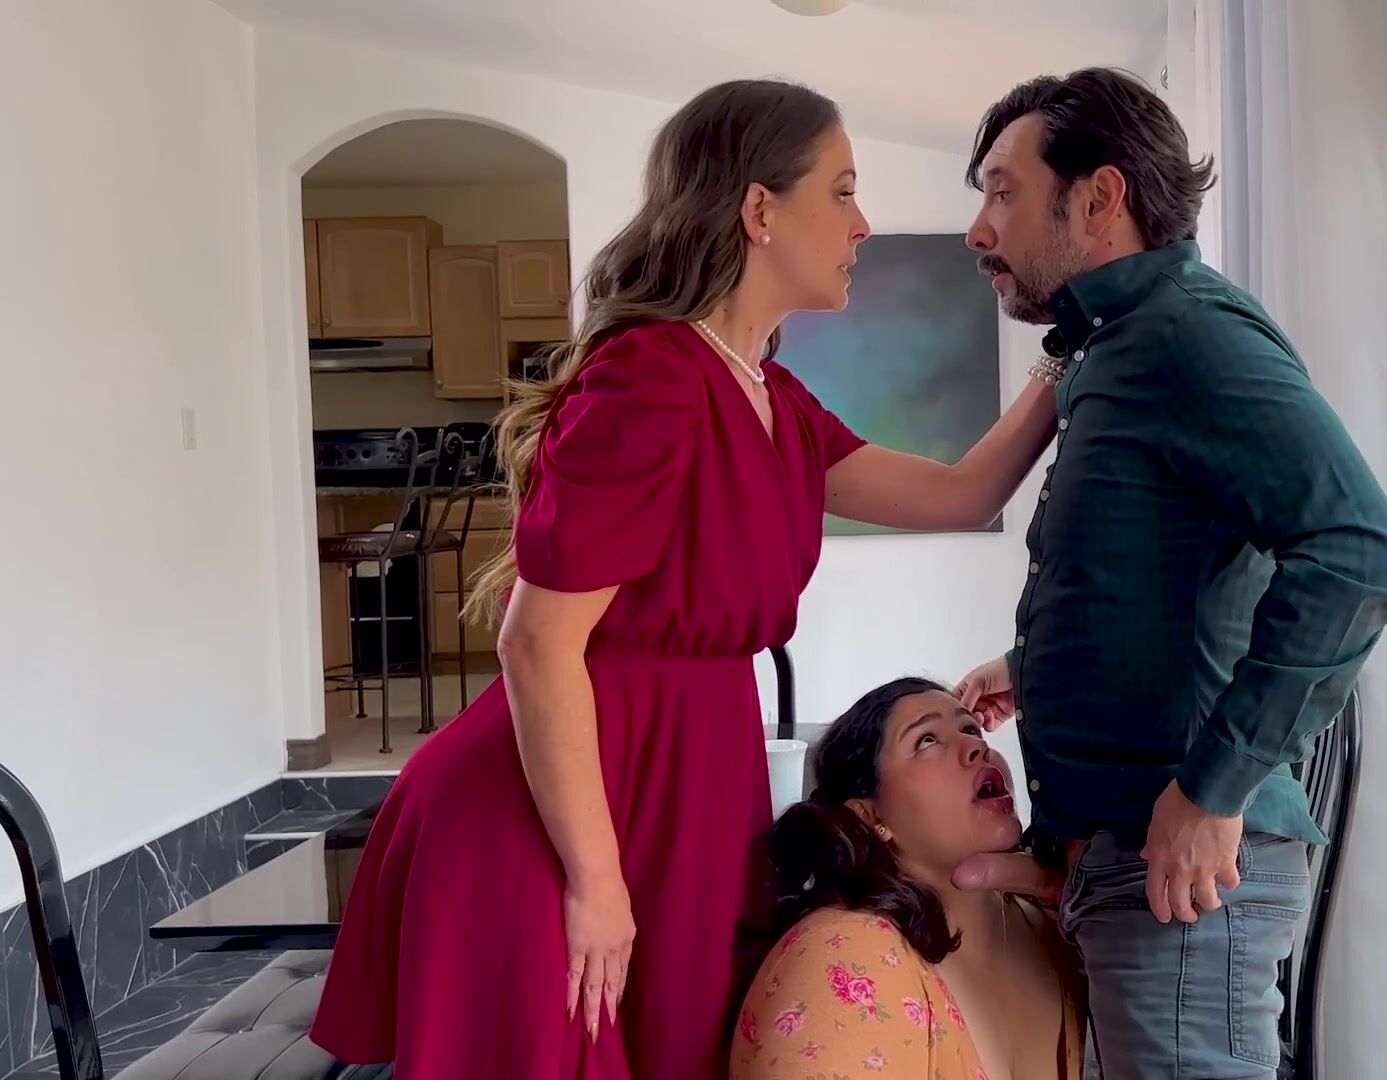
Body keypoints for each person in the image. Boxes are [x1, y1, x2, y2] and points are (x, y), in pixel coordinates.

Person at [308, 79, 1059, 1079]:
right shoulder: (651, 377)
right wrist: (594, 878)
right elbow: (535, 643)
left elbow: (962, 494)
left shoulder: (775, 400)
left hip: (689, 776)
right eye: (841, 192)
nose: (861, 223)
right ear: (759, 210)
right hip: (559, 807)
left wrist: (1069, 353)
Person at [950, 68, 1387, 1078]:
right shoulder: (1117, 348)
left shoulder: (1188, 334)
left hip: (1177, 876)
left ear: (1100, 198)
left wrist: (1212, 790)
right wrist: (1036, 669)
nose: (979, 230)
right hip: (1133, 870)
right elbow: (1168, 573)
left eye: (1002, 192)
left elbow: (1362, 554)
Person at [731, 677, 1083, 1080]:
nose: (977, 747)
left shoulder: (1060, 928)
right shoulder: (842, 958)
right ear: (870, 815)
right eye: (927, 741)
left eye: (971, 729)